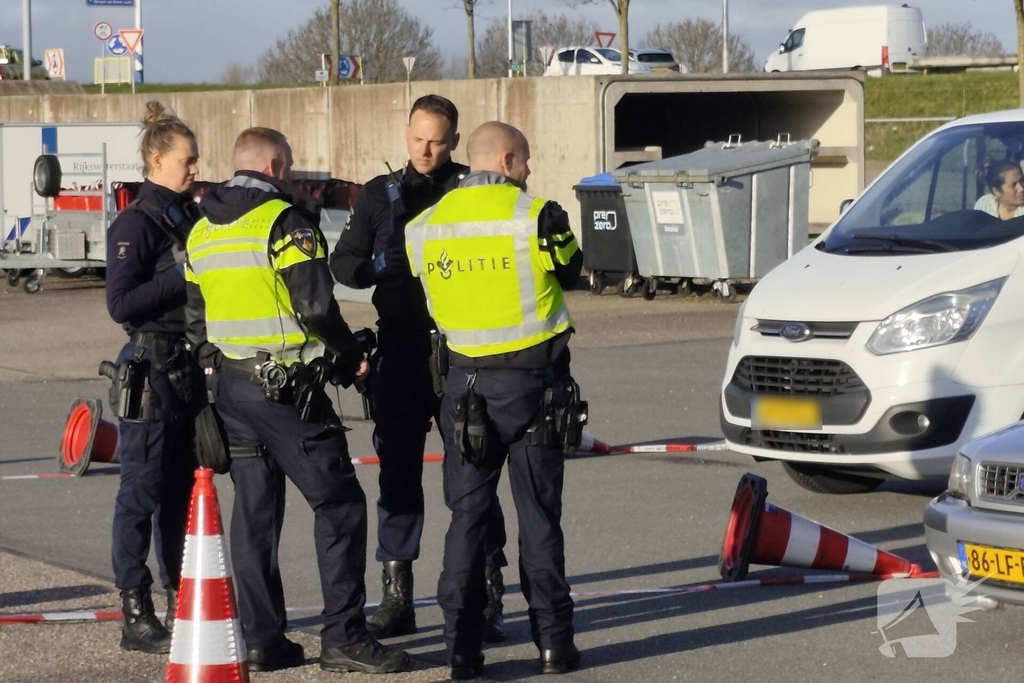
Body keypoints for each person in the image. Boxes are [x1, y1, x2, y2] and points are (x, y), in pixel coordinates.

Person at [183, 127, 409, 675]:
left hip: (232, 391)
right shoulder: (282, 222)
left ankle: (263, 640)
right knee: (340, 506)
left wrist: (221, 363)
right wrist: (348, 353)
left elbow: (195, 319)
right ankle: (344, 637)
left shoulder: (201, 230)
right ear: (275, 164)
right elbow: (314, 304)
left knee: (255, 516)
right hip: (286, 392)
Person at [404, 121, 584, 679]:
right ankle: (553, 646)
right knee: (539, 521)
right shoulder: (537, 215)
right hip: (535, 388)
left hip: (465, 392)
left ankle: (462, 651)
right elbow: (573, 272)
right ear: (506, 161)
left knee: (466, 520)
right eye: (525, 161)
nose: (529, 171)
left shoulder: (423, 227)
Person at [329, 95, 508, 640]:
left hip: (461, 353)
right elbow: (343, 264)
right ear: (406, 134)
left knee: (472, 479)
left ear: (454, 140)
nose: (425, 149)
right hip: (402, 355)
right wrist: (376, 266)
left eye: (436, 140)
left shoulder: (472, 191)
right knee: (398, 476)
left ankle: (485, 592)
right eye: (416, 138)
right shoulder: (380, 197)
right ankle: (397, 595)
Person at [104, 101, 203, 654]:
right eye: (186, 161)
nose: (194, 170)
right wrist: (183, 272)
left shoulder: (190, 217)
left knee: (182, 493)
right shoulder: (136, 223)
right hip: (149, 369)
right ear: (157, 160)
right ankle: (134, 609)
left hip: (188, 368)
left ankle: (179, 597)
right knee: (139, 492)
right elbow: (122, 303)